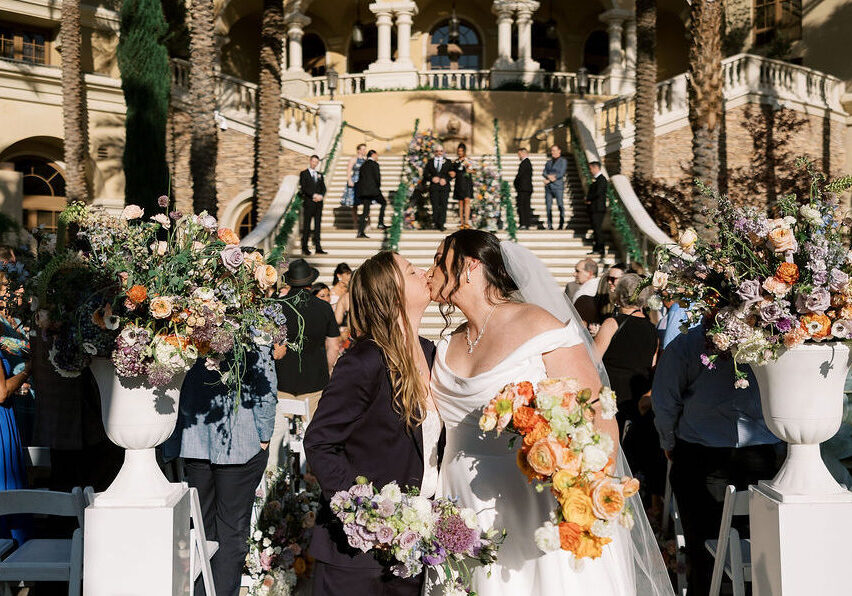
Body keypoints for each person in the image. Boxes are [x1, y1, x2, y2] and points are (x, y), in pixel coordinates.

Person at [425, 229, 672, 595]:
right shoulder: (446, 343)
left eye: (438, 260)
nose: (429, 270)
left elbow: (598, 416)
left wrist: (582, 490)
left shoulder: (539, 324)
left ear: (470, 266)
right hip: (461, 501)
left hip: (534, 502)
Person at [305, 251, 438, 596]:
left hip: (412, 550)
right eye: (411, 270)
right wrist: (368, 516)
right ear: (391, 293)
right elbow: (320, 443)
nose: (424, 272)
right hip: (357, 556)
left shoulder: (433, 353)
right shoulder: (364, 360)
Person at [652, 324, 781, 596]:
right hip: (754, 452)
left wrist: (668, 443)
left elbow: (665, 402)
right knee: (758, 546)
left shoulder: (687, 344)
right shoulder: (768, 342)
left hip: (706, 454)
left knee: (704, 547)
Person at [168, 348, 276, 596]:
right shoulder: (253, 328)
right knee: (229, 532)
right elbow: (265, 380)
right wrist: (264, 434)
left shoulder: (192, 325)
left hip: (197, 437)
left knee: (201, 528)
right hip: (237, 438)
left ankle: (201, 592)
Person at [594, 274, 662, 504]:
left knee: (609, 454)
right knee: (630, 456)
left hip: (611, 399)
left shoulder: (612, 323)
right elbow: (651, 365)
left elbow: (593, 360)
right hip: (638, 399)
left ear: (619, 295)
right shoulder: (652, 329)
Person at [270, 259, 340, 469]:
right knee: (313, 437)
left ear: (290, 282)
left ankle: (276, 477)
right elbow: (333, 347)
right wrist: (328, 370)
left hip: (282, 381)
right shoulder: (323, 307)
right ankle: (311, 477)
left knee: (277, 437)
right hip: (315, 381)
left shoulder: (276, 307)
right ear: (310, 283)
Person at [300, 154, 327, 255]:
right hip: (309, 203)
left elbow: (323, 188)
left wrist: (321, 196)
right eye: (313, 161)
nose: (314, 163)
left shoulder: (320, 174)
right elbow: (304, 188)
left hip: (318, 204)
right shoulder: (304, 173)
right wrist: (313, 195)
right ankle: (304, 247)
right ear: (310, 161)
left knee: (317, 226)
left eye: (316, 162)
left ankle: (318, 247)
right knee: (307, 226)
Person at [355, 150, 385, 238]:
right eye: (377, 155)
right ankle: (380, 223)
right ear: (373, 155)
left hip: (364, 192)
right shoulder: (375, 164)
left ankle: (360, 231)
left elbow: (360, 178)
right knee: (383, 203)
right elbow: (377, 178)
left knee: (365, 211)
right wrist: (377, 187)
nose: (377, 157)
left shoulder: (363, 165)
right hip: (373, 190)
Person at [422, 145, 452, 231]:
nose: (439, 153)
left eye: (441, 151)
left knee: (443, 206)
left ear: (443, 152)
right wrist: (432, 178)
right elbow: (425, 174)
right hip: (434, 187)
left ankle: (441, 224)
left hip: (444, 187)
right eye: (437, 151)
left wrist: (446, 179)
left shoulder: (448, 162)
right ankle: (436, 223)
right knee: (435, 205)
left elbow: (452, 174)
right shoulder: (430, 162)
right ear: (434, 152)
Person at [542, 145, 567, 230]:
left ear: (559, 151)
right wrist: (548, 177)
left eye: (554, 150)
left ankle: (561, 224)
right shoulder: (549, 162)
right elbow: (544, 172)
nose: (553, 152)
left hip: (558, 186)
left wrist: (551, 179)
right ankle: (550, 225)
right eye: (552, 150)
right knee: (548, 207)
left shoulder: (563, 161)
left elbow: (561, 173)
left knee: (560, 205)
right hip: (548, 187)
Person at [342, 143, 368, 229]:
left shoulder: (366, 159)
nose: (364, 151)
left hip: (364, 182)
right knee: (354, 204)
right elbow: (349, 170)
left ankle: (367, 223)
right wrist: (349, 180)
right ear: (358, 150)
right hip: (355, 181)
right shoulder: (354, 159)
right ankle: (355, 223)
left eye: (365, 149)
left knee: (366, 203)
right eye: (362, 149)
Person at [450, 143, 474, 230]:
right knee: (460, 202)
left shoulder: (468, 160)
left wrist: (470, 170)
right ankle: (462, 222)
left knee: (467, 201)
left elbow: (474, 170)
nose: (460, 152)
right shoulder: (455, 162)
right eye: (458, 151)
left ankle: (467, 222)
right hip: (459, 183)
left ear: (464, 151)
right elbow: (452, 172)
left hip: (467, 183)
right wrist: (452, 173)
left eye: (461, 151)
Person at [586, 161, 608, 254]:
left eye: (591, 169)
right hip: (594, 208)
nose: (590, 171)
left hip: (598, 208)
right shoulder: (597, 180)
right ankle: (596, 248)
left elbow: (598, 192)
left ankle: (600, 248)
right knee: (595, 228)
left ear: (596, 168)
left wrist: (589, 198)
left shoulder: (602, 179)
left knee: (597, 228)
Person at [513, 147, 534, 230]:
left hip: (524, 189)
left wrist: (515, 182)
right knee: (525, 206)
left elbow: (520, 176)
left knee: (523, 206)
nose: (518, 155)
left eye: (519, 154)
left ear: (523, 153)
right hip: (525, 188)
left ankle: (524, 223)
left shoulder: (525, 163)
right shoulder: (526, 162)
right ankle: (525, 223)